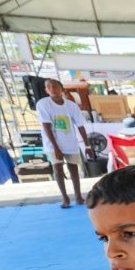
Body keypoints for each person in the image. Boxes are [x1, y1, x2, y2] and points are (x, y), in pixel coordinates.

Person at [36, 77, 90, 209]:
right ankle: (64, 197)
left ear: (62, 89)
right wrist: (56, 148)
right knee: (58, 168)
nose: (53, 89)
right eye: (49, 87)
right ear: (46, 90)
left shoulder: (71, 105)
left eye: (55, 86)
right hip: (53, 143)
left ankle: (78, 196)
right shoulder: (43, 104)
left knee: (74, 168)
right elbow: (46, 126)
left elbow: (80, 125)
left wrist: (87, 145)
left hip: (70, 142)